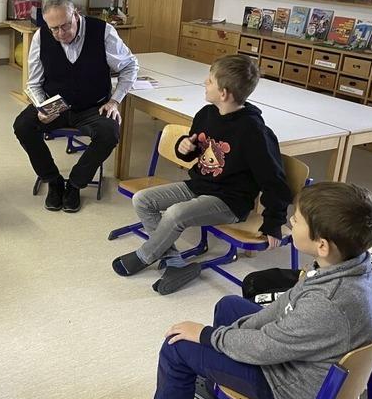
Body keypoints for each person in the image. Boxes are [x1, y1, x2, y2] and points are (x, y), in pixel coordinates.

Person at [153, 182, 372, 399]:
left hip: (286, 389)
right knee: (229, 305)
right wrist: (224, 338)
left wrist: (208, 336)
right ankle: (220, 380)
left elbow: (267, 346)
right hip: (299, 360)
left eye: (297, 220)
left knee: (177, 347)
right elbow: (285, 304)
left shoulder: (327, 303)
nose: (291, 220)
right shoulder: (350, 265)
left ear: (322, 245)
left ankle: (212, 376)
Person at [112, 55, 291, 295]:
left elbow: (275, 181)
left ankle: (145, 255)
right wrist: (185, 146)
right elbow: (193, 152)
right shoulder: (207, 114)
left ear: (224, 92)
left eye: (209, 81)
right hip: (199, 185)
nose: (204, 84)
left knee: (176, 214)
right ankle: (175, 264)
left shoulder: (254, 132)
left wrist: (273, 222)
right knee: (142, 200)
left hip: (230, 201)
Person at [13, 0, 138, 213]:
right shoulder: (41, 36)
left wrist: (115, 101)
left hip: (93, 105)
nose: (60, 34)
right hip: (56, 104)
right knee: (22, 126)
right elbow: (33, 83)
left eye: (65, 26)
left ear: (76, 14)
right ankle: (53, 180)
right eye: (54, 29)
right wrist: (42, 107)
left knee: (110, 132)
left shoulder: (103, 32)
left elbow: (130, 66)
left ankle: (75, 184)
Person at [243, 154, 372, 309]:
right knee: (254, 282)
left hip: (331, 296)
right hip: (328, 277)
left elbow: (364, 300)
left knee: (246, 305)